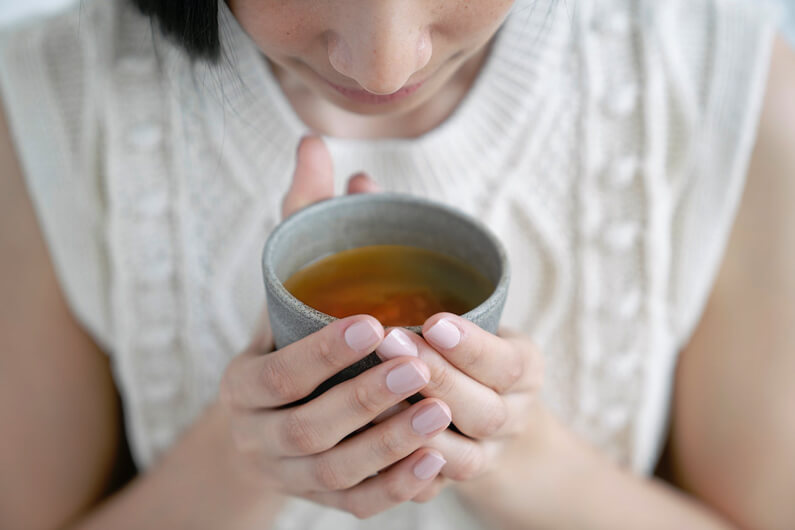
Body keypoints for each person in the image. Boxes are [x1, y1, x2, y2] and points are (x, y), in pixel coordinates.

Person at [1, 0, 793, 528]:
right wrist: (246, 458)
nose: (384, 66)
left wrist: (521, 459)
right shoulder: (50, 103)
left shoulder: (726, 90)